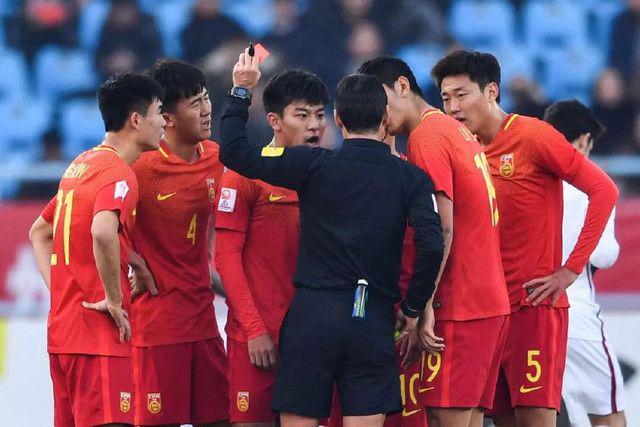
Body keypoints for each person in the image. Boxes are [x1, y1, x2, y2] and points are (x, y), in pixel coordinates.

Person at [220, 49, 445, 427]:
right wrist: (412, 308)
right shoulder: (412, 178)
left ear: (337, 118)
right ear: (385, 119)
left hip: (313, 315)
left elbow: (234, 153)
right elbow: (433, 244)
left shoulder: (312, 165)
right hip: (371, 316)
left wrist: (242, 91)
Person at [431, 50, 619, 427]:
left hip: (533, 308)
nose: (453, 107)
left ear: (491, 91)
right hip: (486, 313)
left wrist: (570, 270)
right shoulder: (461, 149)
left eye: (461, 95)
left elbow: (604, 190)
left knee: (535, 419)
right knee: (499, 421)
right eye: (446, 98)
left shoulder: (533, 136)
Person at [358, 56, 510, 427]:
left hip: (461, 304)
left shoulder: (426, 136)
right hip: (488, 302)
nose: (379, 116)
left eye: (380, 102)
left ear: (402, 87)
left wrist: (421, 304)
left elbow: (442, 227)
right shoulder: (455, 131)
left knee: (444, 418)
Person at [28, 72, 166, 427]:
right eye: (158, 112)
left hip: (64, 333)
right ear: (136, 120)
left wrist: (63, 290)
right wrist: (114, 299)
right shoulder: (120, 173)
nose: (164, 122)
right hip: (98, 337)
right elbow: (102, 231)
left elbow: (39, 232)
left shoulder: (81, 164)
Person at [215, 69, 328, 426]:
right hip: (259, 339)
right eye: (302, 115)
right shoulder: (245, 175)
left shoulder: (330, 175)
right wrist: (254, 330)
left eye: (320, 114)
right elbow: (226, 258)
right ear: (275, 121)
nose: (314, 125)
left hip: (313, 338)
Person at [127, 59, 229, 427]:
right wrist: (131, 260)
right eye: (195, 103)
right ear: (167, 118)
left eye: (206, 98)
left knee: (222, 421)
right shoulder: (141, 166)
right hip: (157, 327)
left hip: (204, 321)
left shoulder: (217, 158)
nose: (207, 110)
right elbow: (88, 223)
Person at [543, 100, 626, 427]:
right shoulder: (594, 186)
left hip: (534, 313)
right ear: (583, 140)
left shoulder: (531, 182)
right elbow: (603, 254)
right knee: (608, 415)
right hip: (577, 315)